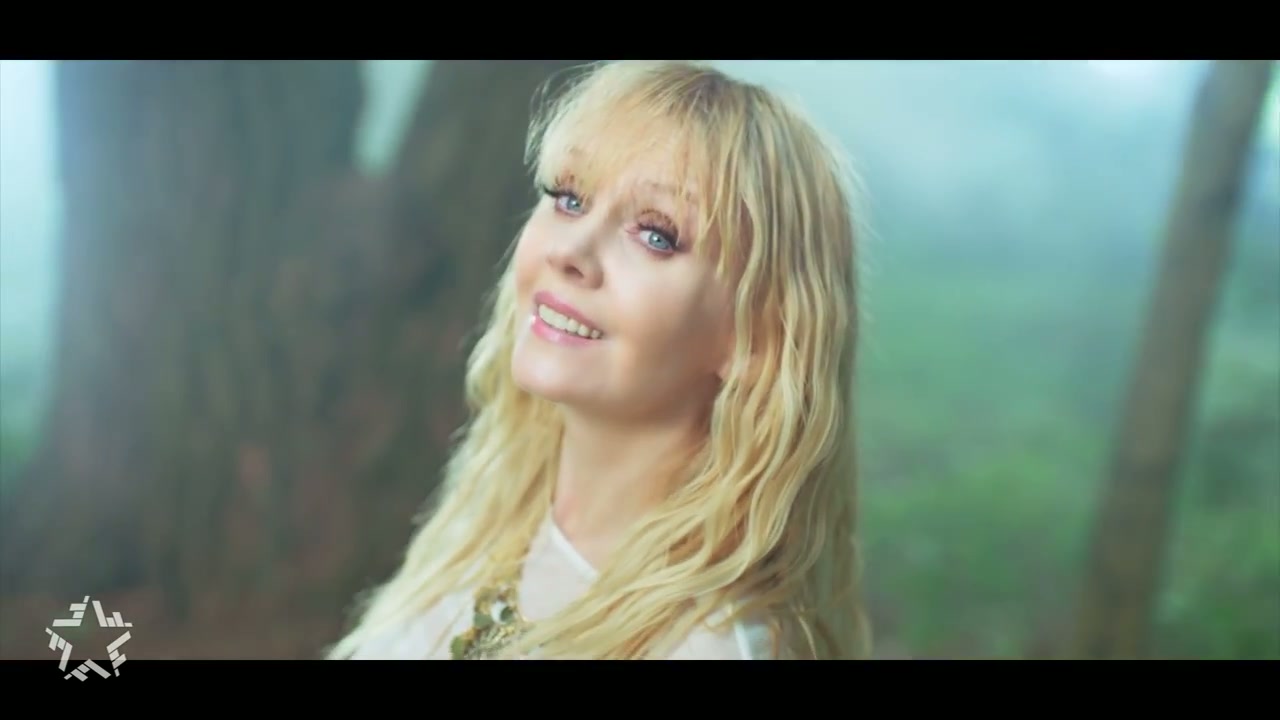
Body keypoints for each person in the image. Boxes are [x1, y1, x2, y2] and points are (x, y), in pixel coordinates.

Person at [326, 59, 870, 661]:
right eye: (569, 198)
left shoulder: (704, 648)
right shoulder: (487, 521)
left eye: (657, 235)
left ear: (757, 338)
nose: (572, 252)